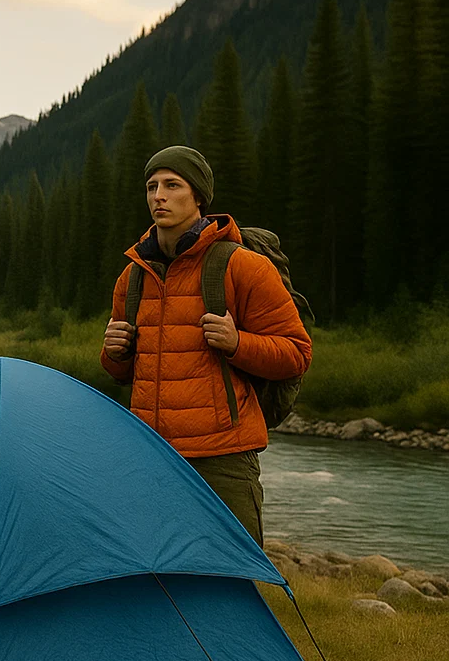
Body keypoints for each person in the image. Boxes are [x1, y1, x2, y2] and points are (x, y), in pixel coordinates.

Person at [101, 146, 310, 544]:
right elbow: (126, 373)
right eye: (151, 186)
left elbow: (297, 354)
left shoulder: (243, 266)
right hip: (151, 456)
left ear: (197, 196)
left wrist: (237, 343)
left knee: (233, 586)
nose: (158, 196)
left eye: (171, 185)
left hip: (224, 458)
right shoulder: (132, 278)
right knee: (156, 581)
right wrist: (113, 353)